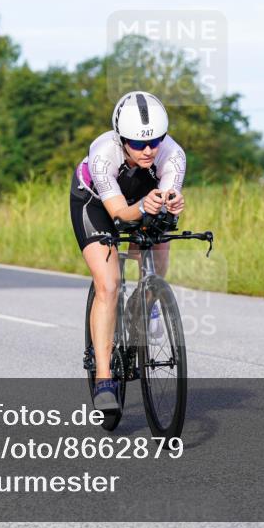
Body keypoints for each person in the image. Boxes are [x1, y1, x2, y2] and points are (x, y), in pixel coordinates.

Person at [70, 91, 186, 411]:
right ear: (121, 139)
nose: (148, 150)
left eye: (155, 141)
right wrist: (145, 207)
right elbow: (120, 212)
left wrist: (170, 204)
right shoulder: (103, 152)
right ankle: (104, 378)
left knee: (160, 236)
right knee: (108, 285)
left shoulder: (173, 154)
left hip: (140, 199)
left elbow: (165, 202)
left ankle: (144, 302)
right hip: (96, 203)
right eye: (137, 144)